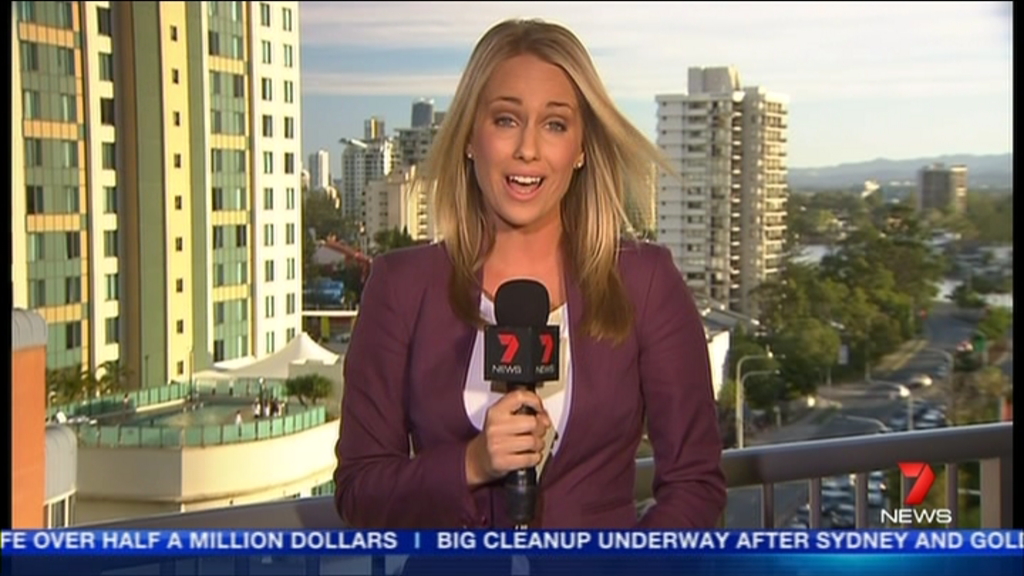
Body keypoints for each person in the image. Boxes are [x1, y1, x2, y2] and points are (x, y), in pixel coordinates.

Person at [334, 18, 726, 532]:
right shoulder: (400, 286)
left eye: (555, 124)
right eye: (505, 120)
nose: (528, 149)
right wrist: (472, 463)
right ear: (469, 137)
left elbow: (696, 485)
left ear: (581, 148)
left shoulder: (645, 283)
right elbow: (359, 494)